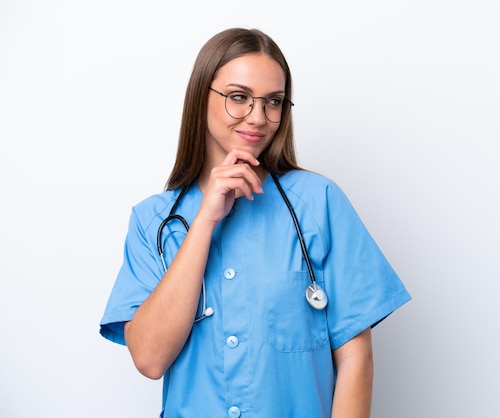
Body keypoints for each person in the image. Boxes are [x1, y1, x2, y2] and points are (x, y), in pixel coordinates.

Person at [100, 27, 411, 418]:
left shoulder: (319, 203)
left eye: (273, 102)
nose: (259, 118)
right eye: (239, 97)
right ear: (202, 97)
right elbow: (149, 359)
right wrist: (205, 221)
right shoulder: (153, 221)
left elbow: (356, 360)